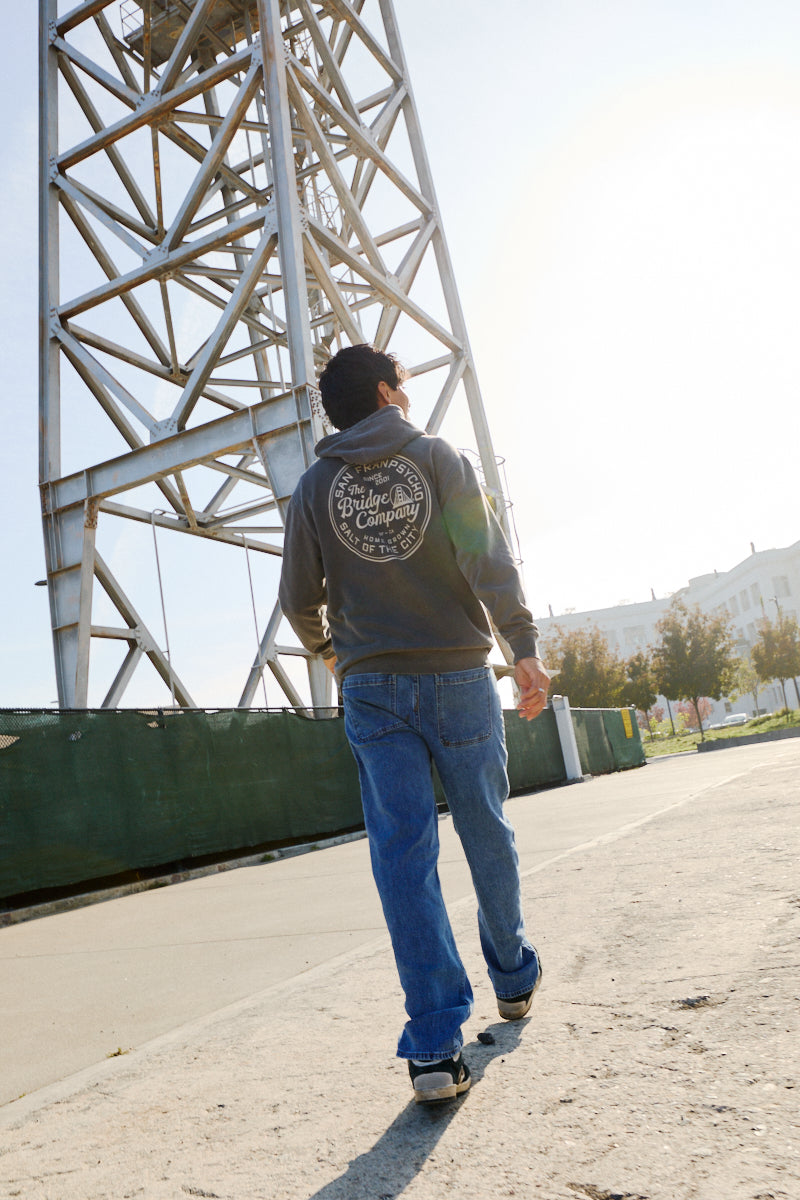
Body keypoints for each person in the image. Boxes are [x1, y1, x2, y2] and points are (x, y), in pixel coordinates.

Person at [278, 344, 550, 1103]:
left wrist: (336, 656)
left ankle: (434, 1047)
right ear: (389, 394)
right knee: (487, 830)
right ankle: (514, 975)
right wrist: (522, 649)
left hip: (372, 689)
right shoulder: (437, 457)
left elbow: (298, 600)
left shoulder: (311, 489)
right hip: (459, 675)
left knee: (403, 858)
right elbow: (488, 559)